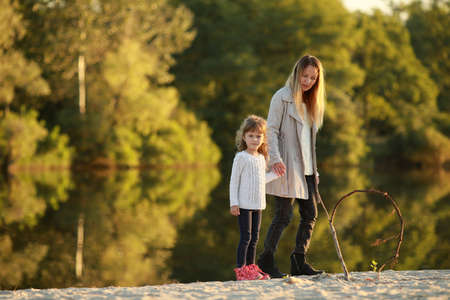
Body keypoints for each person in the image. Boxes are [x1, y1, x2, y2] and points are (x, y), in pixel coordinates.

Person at [257, 55, 326, 278]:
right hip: (286, 165)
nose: (307, 81)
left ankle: (298, 261)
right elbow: (272, 130)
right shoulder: (282, 97)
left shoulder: (311, 103)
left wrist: (314, 171)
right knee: (284, 215)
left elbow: (309, 142)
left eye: (312, 78)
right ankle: (265, 261)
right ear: (296, 73)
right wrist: (275, 158)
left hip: (307, 168)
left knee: (310, 214)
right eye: (304, 76)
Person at [229, 115, 272, 281]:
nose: (255, 139)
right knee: (245, 237)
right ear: (244, 137)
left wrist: (277, 173)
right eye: (251, 136)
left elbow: (262, 180)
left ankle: (251, 267)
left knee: (255, 238)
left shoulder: (261, 158)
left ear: (263, 138)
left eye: (258, 136)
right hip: (244, 205)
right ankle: (241, 270)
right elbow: (234, 182)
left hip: (258, 205)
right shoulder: (241, 157)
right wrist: (234, 203)